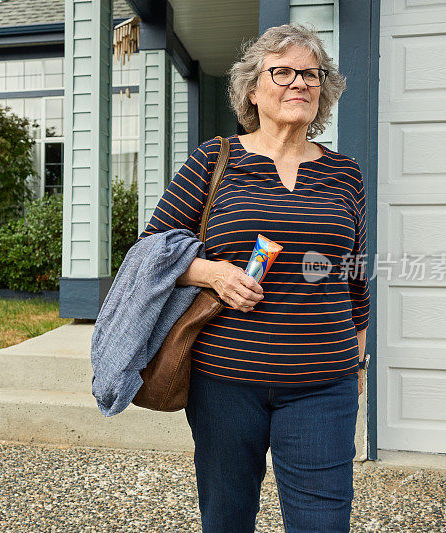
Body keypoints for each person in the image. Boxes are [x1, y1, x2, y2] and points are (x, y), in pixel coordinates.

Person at [137, 23, 370, 532]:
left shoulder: (345, 173)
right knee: (227, 516)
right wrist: (213, 273)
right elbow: (148, 255)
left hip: (322, 381)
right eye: (282, 71)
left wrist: (358, 360)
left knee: (323, 521)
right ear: (252, 88)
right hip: (224, 380)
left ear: (323, 91)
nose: (299, 83)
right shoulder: (214, 159)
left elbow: (355, 276)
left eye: (311, 74)